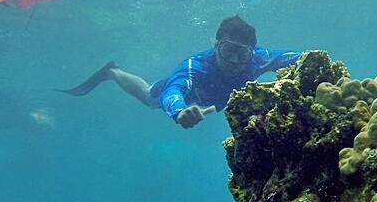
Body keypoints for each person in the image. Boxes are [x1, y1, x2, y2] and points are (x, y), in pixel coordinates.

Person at [59, 16, 301, 129]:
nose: (234, 61)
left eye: (242, 54)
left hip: (213, 101)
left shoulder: (258, 58)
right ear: (215, 45)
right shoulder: (194, 67)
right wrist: (179, 111)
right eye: (228, 50)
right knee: (147, 96)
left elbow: (296, 58)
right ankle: (113, 72)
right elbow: (172, 93)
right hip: (181, 97)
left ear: (252, 52)